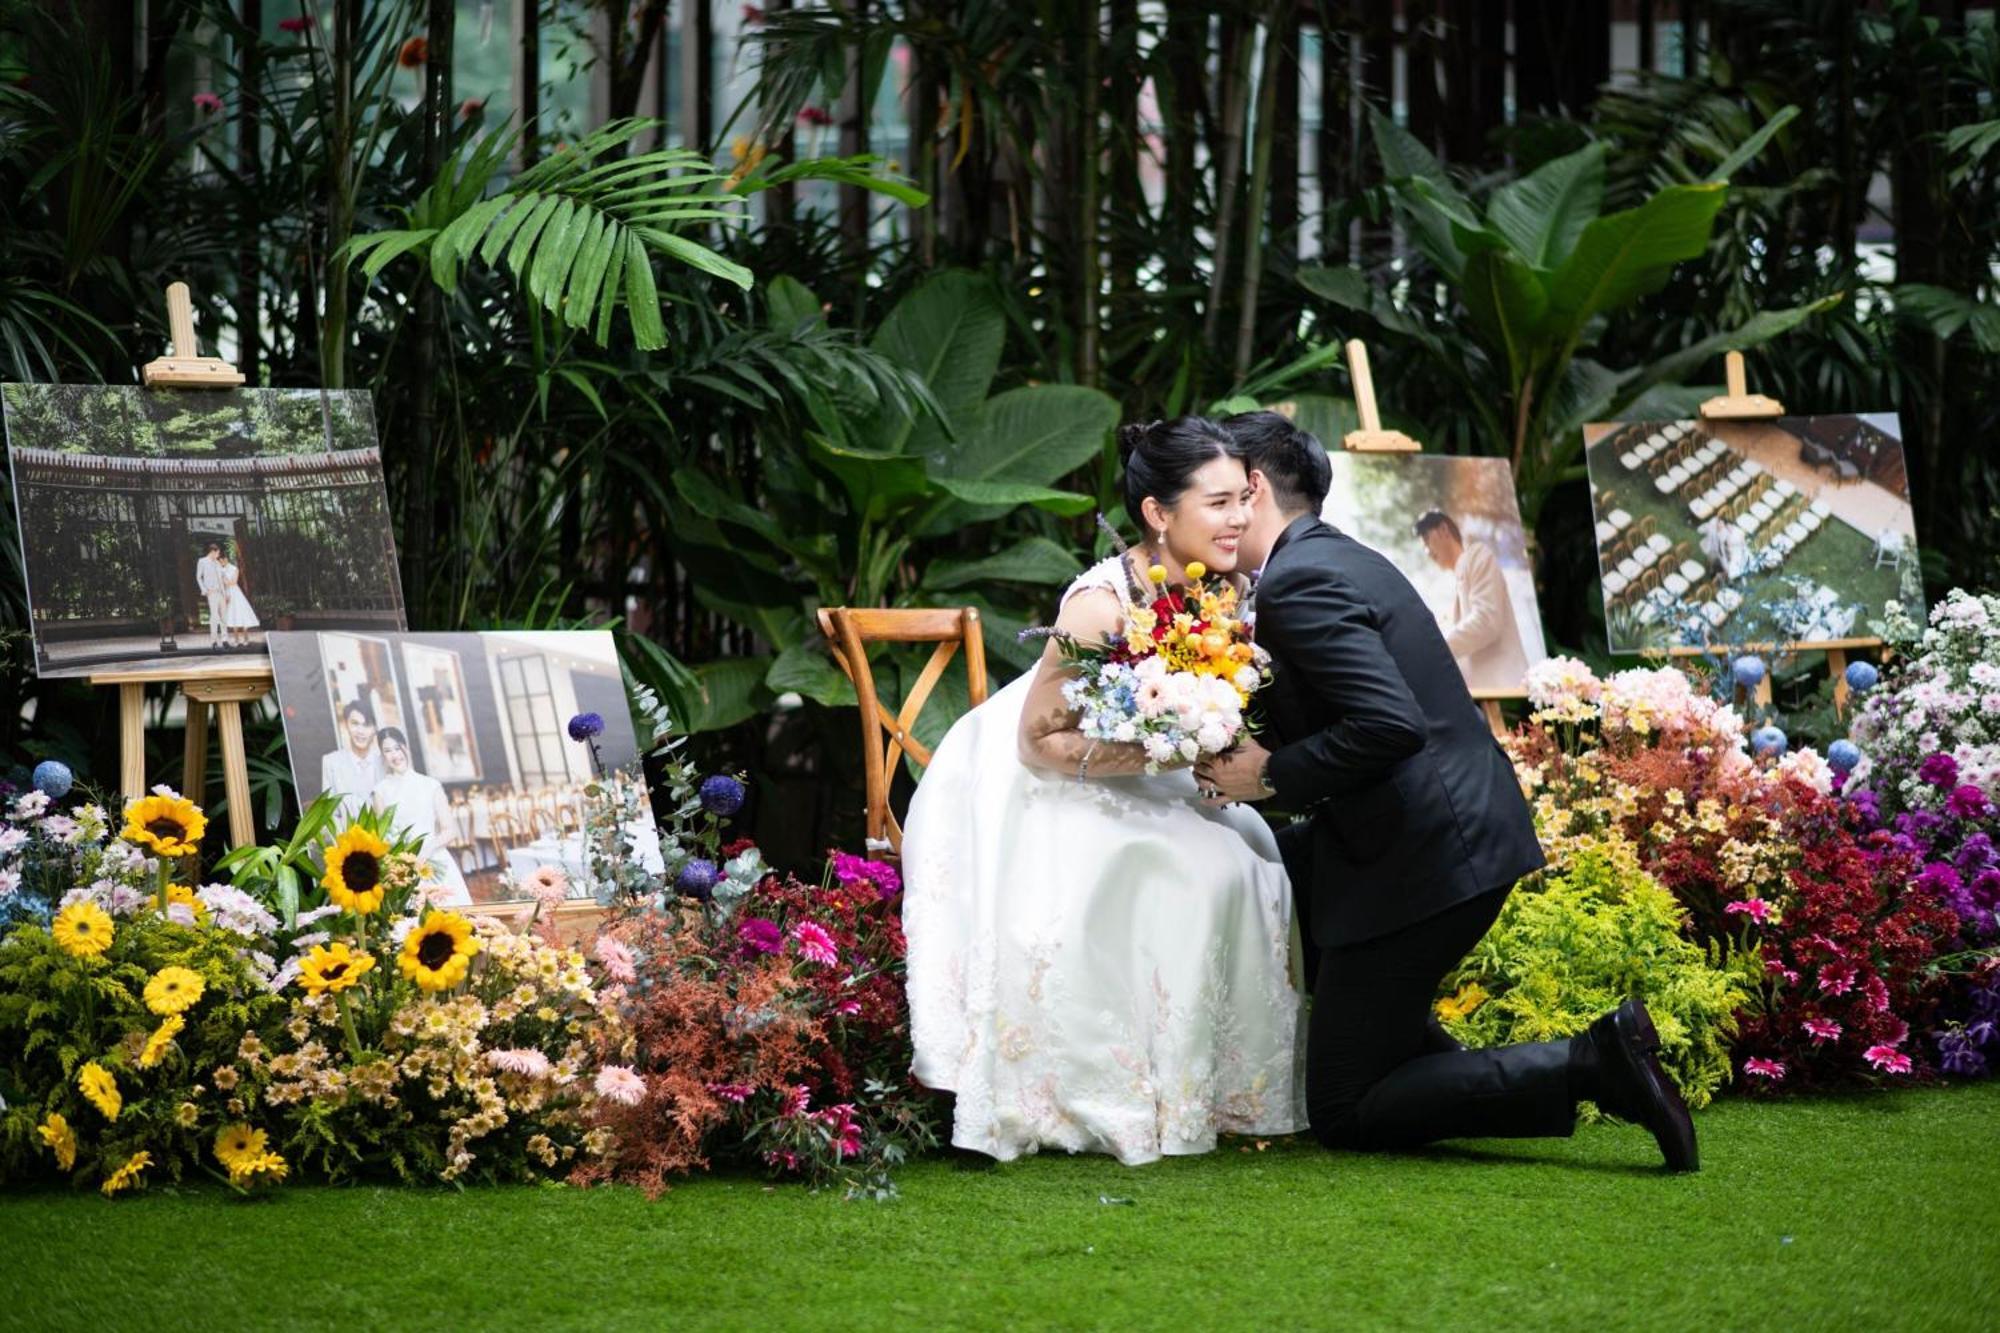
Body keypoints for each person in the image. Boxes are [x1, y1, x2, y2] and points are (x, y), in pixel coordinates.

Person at [1196, 411, 1698, 1172]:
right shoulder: (1332, 559)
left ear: (1255, 486)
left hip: (1426, 854)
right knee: (1343, 986)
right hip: (1435, 836)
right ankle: (1543, 1070)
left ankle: (1594, 1061)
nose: (1223, 506)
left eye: (1228, 489)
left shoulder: (1298, 582)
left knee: (1343, 1106)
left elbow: (1389, 724)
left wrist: (1266, 772)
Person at [900, 417, 1305, 1166]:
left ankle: (1214, 1088)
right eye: (1217, 503)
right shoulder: (1100, 600)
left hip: (1150, 767)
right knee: (1194, 868)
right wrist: (1162, 749)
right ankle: (1109, 1090)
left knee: (1254, 848)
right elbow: (1039, 738)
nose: (1241, 518)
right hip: (1042, 776)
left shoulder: (1227, 587)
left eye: (1242, 500)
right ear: (1158, 512)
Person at [1413, 510, 1530, 692]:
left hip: (1507, 690)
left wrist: (1436, 648)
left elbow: (1486, 621)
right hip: (1482, 696)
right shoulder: (1453, 588)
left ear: (1444, 529)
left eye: (1427, 540)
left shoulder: (1477, 556)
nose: (1427, 552)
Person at [371, 726, 471, 906]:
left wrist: (426, 851)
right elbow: (382, 837)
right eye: (387, 751)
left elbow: (450, 831)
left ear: (406, 747)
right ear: (382, 756)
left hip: (435, 859)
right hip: (403, 869)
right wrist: (402, 859)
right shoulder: (380, 791)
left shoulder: (430, 785)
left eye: (397, 748)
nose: (394, 755)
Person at [320, 699, 383, 823]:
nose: (360, 731)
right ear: (346, 725)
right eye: (355, 723)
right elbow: (329, 815)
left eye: (366, 725)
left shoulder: (385, 763)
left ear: (375, 728)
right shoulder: (331, 763)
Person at [217, 551, 259, 648]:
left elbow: (234, 582)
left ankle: (246, 638)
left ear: (225, 559)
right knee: (231, 615)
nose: (221, 563)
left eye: (221, 561)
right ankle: (236, 639)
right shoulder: (221, 570)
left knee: (240, 613)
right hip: (227, 593)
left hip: (235, 592)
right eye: (219, 562)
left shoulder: (234, 568)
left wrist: (225, 581)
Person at [195, 542, 227, 649]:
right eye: (217, 553)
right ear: (213, 552)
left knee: (224, 617)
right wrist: (205, 590)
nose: (218, 555)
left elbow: (222, 577)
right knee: (214, 617)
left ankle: (224, 640)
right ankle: (213, 641)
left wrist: (225, 593)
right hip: (212, 592)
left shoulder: (217, 563)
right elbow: (199, 577)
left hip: (221, 592)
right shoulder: (202, 561)